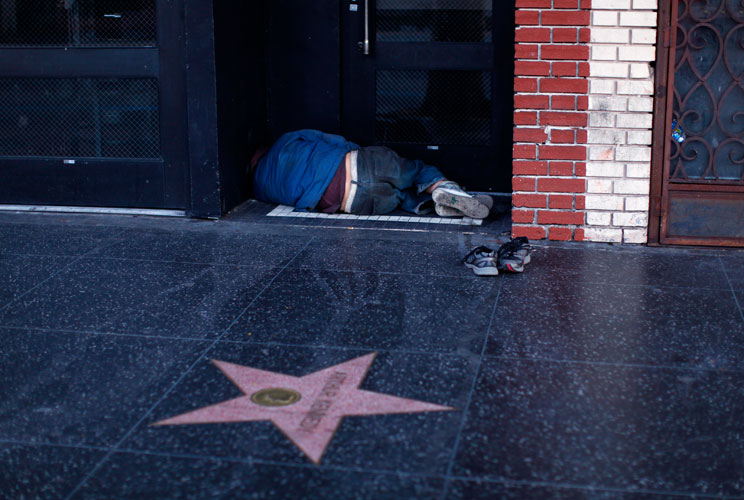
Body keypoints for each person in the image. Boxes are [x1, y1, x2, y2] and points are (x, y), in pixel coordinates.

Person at [250, 129, 491, 219]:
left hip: (355, 202)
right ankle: (445, 190)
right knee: (416, 170)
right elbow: (335, 141)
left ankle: (432, 206)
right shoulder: (285, 141)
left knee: (399, 197)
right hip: (359, 164)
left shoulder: (262, 190)